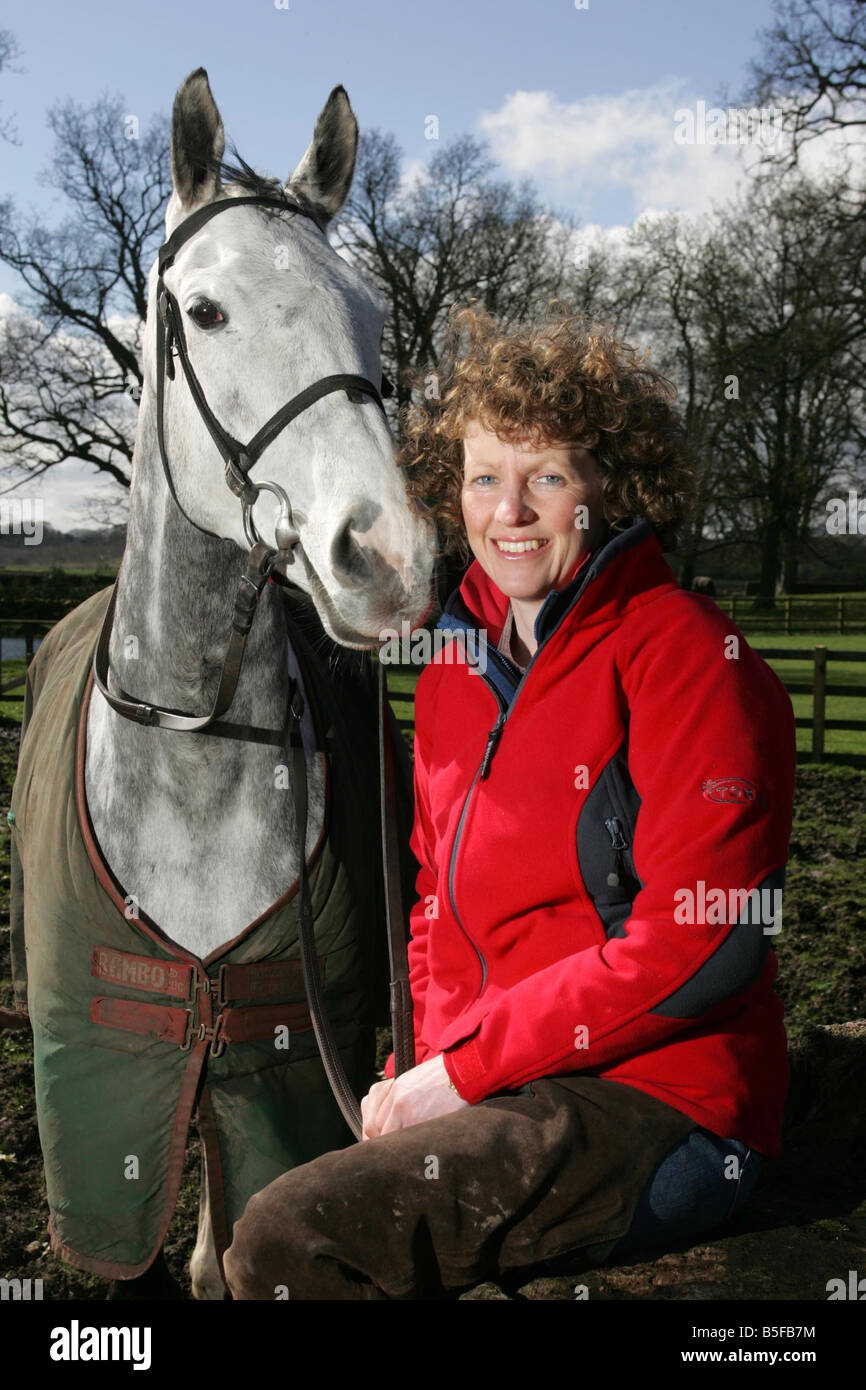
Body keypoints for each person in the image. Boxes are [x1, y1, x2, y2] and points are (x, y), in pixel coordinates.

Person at [223, 302, 796, 1300]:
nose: (510, 510)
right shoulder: (451, 665)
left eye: (546, 476)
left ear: (606, 488)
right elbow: (432, 903)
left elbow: (710, 939)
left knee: (288, 1234)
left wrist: (459, 1073)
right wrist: (416, 1066)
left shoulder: (689, 654)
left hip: (660, 1098)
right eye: (485, 476)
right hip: (498, 1082)